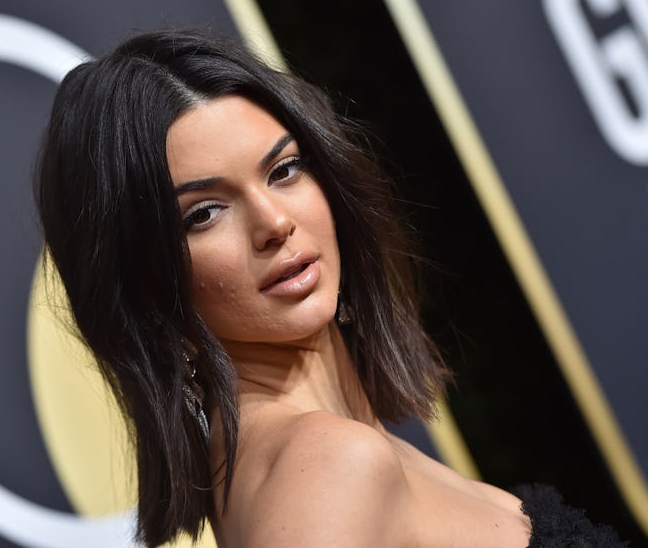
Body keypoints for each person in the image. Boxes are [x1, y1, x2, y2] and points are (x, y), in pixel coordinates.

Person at [36, 29, 626, 547]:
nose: (274, 223)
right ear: (142, 282)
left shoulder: (319, 456)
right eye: (204, 213)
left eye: (284, 170)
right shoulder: (326, 466)